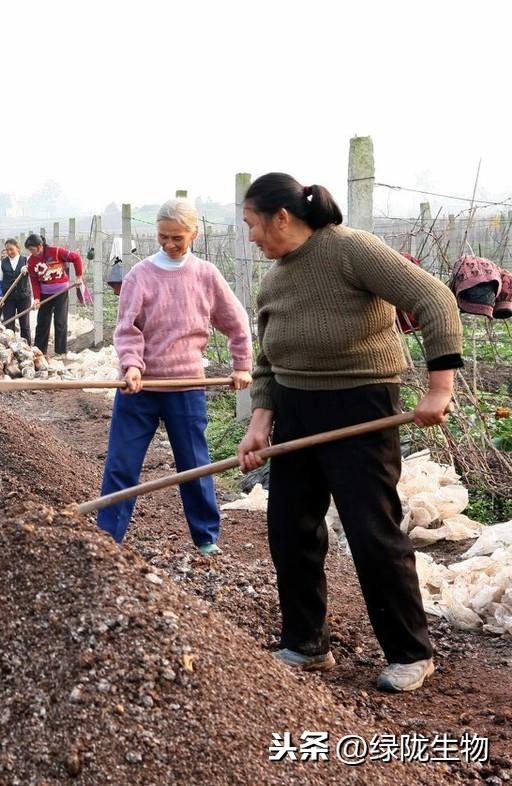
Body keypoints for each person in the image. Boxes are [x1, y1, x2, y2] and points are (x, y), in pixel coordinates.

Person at [235, 173, 462, 693]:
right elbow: (268, 360)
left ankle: (411, 652)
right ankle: (306, 644)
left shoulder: (351, 250)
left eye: (252, 224)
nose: (250, 236)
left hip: (361, 405)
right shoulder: (274, 278)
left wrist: (439, 388)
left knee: (370, 528)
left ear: (281, 217)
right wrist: (259, 423)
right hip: (296, 407)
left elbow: (435, 301)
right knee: (290, 527)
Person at [97, 199, 252, 554]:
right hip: (141, 387)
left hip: (186, 386)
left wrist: (241, 365)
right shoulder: (140, 275)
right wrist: (132, 364)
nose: (169, 244)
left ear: (193, 234)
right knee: (122, 463)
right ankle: (107, 540)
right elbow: (126, 329)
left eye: (177, 238)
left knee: (194, 464)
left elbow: (236, 322)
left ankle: (206, 538)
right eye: (163, 237)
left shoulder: (206, 275)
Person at [25, 233, 83, 356]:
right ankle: (39, 351)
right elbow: (34, 282)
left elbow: (76, 257)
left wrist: (79, 276)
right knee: (42, 322)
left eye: (32, 249)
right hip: (45, 293)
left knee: (60, 321)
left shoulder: (56, 251)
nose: (31, 252)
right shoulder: (31, 261)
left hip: (61, 292)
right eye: (29, 250)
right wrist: (36, 298)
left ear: (40, 246)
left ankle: (60, 352)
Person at [0, 239, 32, 341]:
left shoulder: (26, 261)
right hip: (8, 298)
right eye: (7, 250)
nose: (9, 252)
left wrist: (28, 269)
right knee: (8, 324)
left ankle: (26, 346)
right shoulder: (2, 263)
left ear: (18, 248)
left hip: (24, 296)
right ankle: (10, 347)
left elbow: (34, 275)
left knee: (25, 324)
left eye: (11, 249)